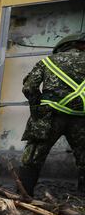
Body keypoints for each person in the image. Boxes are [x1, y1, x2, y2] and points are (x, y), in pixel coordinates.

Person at [17, 32, 85, 196]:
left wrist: (37, 107)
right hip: (82, 118)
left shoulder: (47, 62)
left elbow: (28, 88)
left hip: (49, 116)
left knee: (33, 156)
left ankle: (24, 196)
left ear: (63, 47)